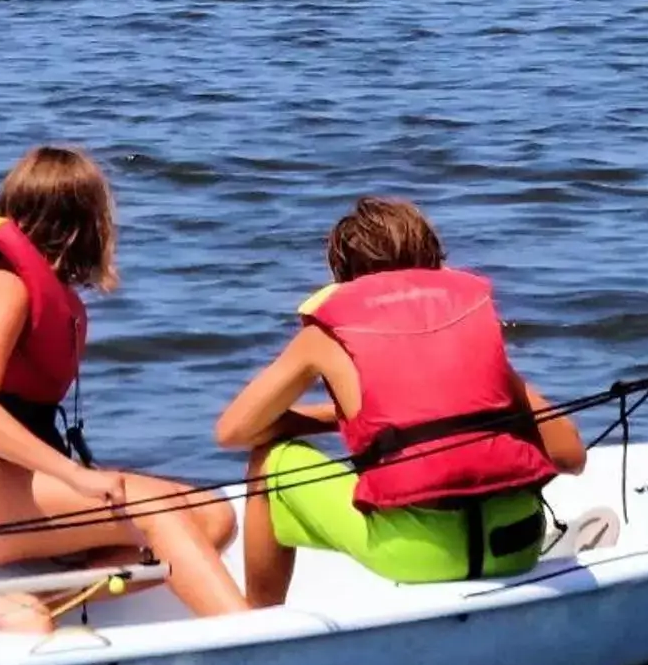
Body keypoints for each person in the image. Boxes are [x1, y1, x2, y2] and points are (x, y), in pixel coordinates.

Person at [0, 146, 245, 624]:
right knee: (150, 505)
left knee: (212, 514)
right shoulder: (3, 288)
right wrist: (74, 476)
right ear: (86, 226)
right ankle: (249, 635)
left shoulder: (31, 292)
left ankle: (36, 605)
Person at [214, 197, 587, 607]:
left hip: (417, 555)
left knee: (269, 461)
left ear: (343, 275)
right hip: (516, 546)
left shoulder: (324, 338)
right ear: (433, 260)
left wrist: (331, 420)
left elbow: (233, 432)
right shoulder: (468, 319)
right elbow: (571, 454)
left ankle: (261, 624)